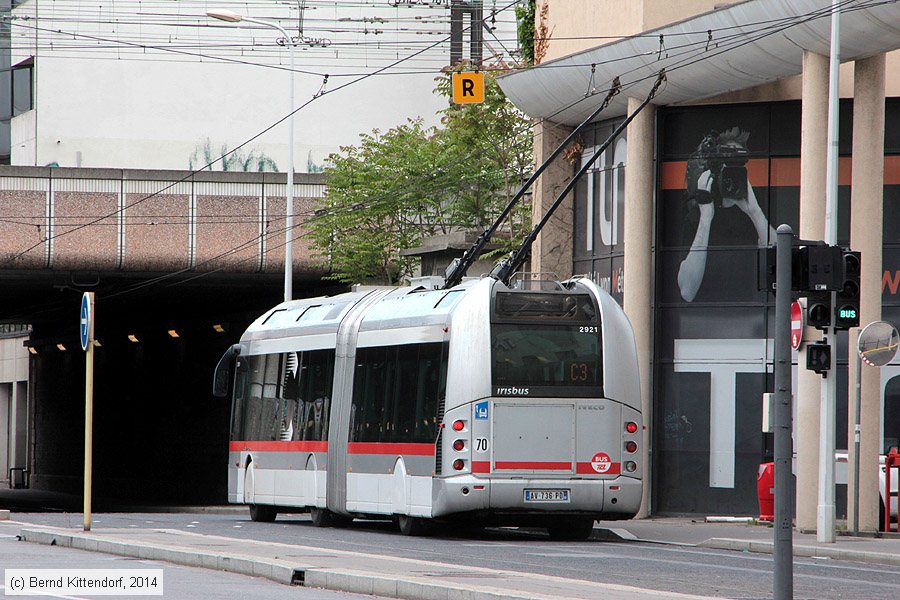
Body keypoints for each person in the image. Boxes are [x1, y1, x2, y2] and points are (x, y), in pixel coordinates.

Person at [677, 127, 775, 302]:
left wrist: (755, 213)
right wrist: (705, 218)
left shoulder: (752, 213)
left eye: (737, 167)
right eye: (727, 168)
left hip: (750, 317)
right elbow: (687, 291)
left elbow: (784, 268)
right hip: (705, 320)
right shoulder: (696, 216)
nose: (732, 175)